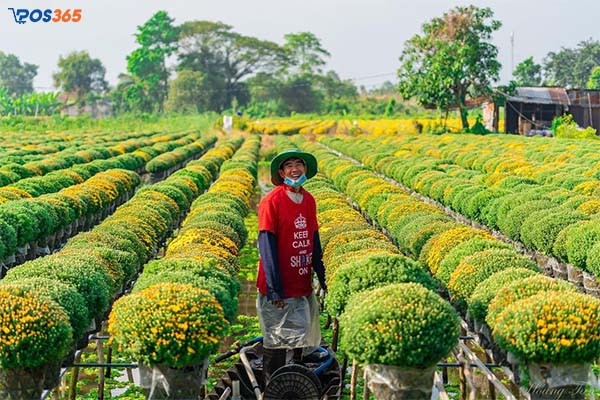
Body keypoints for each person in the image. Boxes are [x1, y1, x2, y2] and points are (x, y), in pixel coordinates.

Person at [256, 148, 327, 385]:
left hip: (301, 282)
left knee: (300, 340)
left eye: (299, 164)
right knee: (276, 342)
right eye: (289, 166)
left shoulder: (309, 200)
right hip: (279, 286)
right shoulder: (272, 201)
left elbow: (314, 240)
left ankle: (296, 387)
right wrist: (275, 289)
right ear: (281, 172)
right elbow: (266, 245)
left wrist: (323, 277)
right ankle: (272, 389)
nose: (295, 169)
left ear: (305, 169)